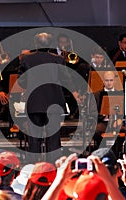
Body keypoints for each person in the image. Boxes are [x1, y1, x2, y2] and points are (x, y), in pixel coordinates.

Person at [18, 32, 80, 163]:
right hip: (54, 103)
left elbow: (21, 82)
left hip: (34, 103)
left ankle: (34, 171)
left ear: (35, 44)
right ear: (51, 44)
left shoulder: (26, 59)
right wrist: (75, 93)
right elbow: (66, 79)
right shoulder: (58, 59)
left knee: (34, 140)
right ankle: (54, 170)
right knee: (53, 139)